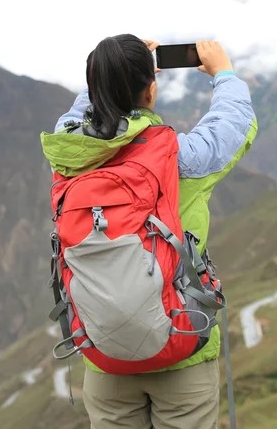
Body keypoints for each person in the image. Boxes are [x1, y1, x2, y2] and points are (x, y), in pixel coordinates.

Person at [51, 35, 257, 429]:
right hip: (182, 346)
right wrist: (224, 74)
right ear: (151, 89)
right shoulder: (180, 159)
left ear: (95, 90)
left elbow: (76, 116)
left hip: (105, 352)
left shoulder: (68, 153)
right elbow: (234, 126)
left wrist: (110, 74)